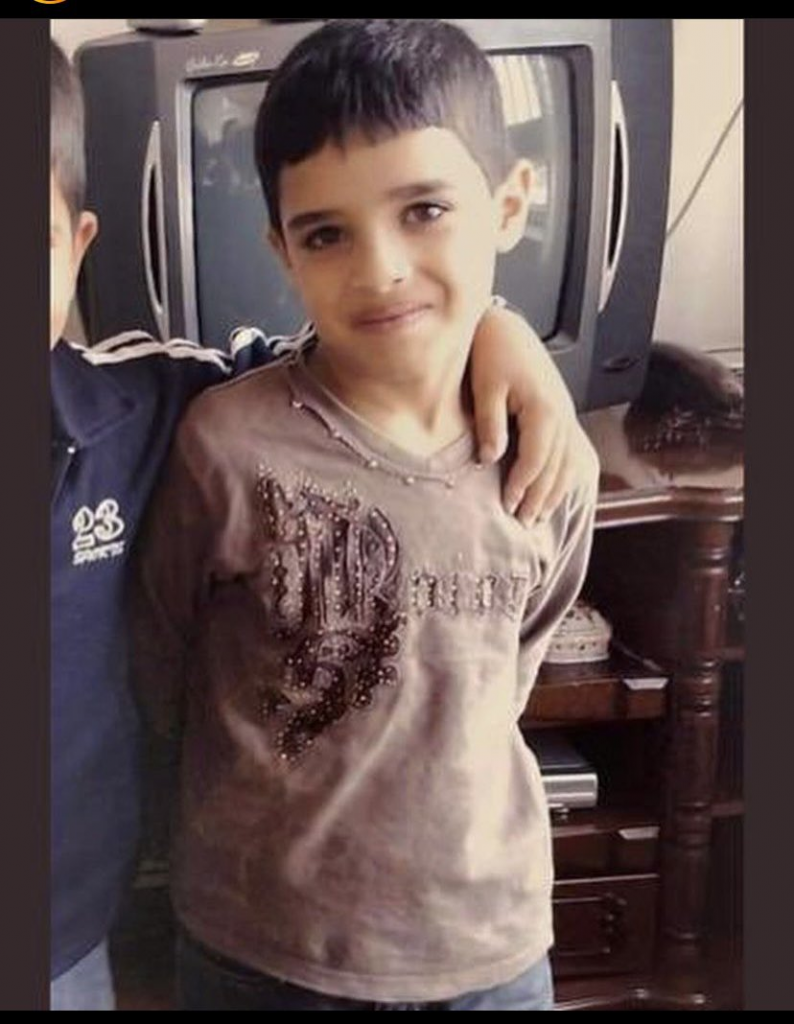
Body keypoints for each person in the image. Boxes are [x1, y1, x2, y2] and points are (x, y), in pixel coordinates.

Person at [49, 33, 595, 1012]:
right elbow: (164, 673)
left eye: (425, 211)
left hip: (480, 941)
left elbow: (513, 659)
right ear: (287, 249)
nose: (381, 270)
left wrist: (502, 327)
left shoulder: (137, 409)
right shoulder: (223, 446)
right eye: (328, 234)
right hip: (256, 939)